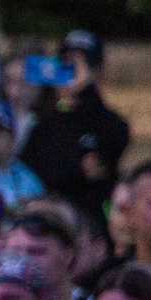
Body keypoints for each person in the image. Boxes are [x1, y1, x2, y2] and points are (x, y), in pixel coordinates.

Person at [22, 31, 131, 214]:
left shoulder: (110, 122)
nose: (73, 72)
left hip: (94, 218)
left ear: (97, 71)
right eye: (66, 64)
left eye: (83, 64)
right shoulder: (42, 126)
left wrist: (86, 93)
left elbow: (112, 144)